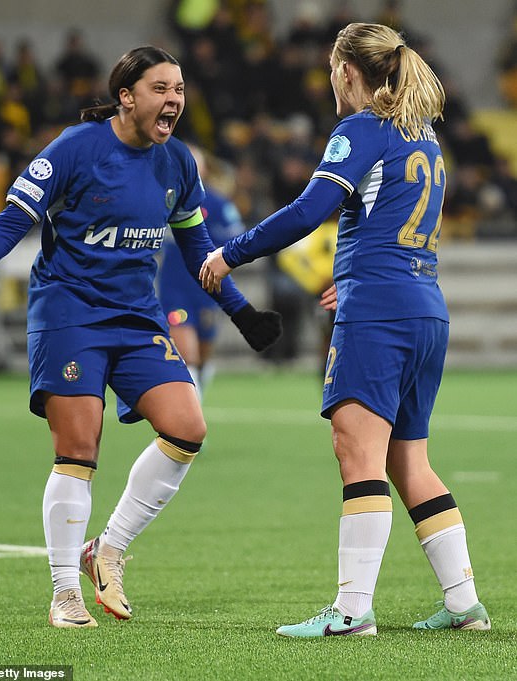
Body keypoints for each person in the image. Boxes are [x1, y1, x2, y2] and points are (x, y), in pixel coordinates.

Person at [0, 45, 281, 629]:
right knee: (79, 448)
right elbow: (15, 220)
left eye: (180, 90)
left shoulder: (179, 162)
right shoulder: (76, 148)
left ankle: (105, 549)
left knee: (188, 428)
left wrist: (242, 312)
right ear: (127, 96)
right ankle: (64, 592)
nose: (174, 101)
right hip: (70, 312)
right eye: (162, 89)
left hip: (138, 316)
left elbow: (196, 251)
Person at [200, 23, 490, 637]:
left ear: (347, 72)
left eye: (333, 71)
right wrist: (356, 272)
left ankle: (353, 611)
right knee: (410, 461)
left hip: (379, 312)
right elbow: (392, 224)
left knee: (356, 452)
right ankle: (463, 601)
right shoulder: (424, 137)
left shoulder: (360, 129)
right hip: (422, 306)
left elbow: (309, 210)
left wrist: (233, 253)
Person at [157, 143, 245, 400]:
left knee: (204, 356)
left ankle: (196, 402)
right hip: (175, 289)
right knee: (188, 356)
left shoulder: (219, 205)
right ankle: (191, 424)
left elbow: (237, 240)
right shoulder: (162, 201)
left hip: (207, 290)